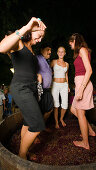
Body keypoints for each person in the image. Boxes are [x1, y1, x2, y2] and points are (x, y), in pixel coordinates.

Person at [0, 17, 46, 159]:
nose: (40, 40)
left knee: (28, 121)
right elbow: (1, 48)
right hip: (21, 88)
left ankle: (24, 149)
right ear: (31, 30)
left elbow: (28, 66)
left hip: (31, 87)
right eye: (39, 36)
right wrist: (26, 26)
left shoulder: (31, 49)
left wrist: (37, 75)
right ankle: (22, 155)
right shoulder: (19, 43)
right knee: (38, 125)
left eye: (42, 38)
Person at [69, 33, 96, 150]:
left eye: (70, 42)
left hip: (83, 84)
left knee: (80, 114)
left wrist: (80, 89)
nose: (70, 44)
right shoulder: (81, 51)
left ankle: (85, 143)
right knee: (73, 109)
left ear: (75, 40)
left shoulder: (82, 49)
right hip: (80, 83)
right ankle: (89, 131)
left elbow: (89, 70)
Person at [51, 47, 69, 129]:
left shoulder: (67, 64)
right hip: (55, 85)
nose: (61, 53)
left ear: (65, 53)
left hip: (64, 85)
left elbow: (66, 75)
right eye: (59, 52)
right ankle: (56, 122)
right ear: (57, 53)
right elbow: (48, 71)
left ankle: (61, 119)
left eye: (62, 52)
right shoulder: (54, 62)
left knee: (65, 105)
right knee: (56, 105)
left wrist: (68, 86)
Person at [36, 43, 54, 121]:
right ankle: (39, 128)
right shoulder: (37, 58)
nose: (50, 52)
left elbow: (47, 73)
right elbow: (30, 69)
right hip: (40, 89)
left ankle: (42, 126)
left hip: (47, 90)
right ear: (41, 50)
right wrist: (37, 76)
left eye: (50, 50)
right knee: (40, 110)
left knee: (50, 109)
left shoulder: (47, 61)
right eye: (47, 50)